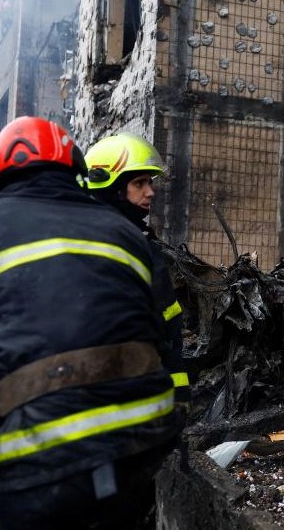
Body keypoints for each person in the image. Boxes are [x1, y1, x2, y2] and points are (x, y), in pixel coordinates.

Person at [0, 117, 181, 528]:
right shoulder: (125, 235)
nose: (151, 193)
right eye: (140, 183)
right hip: (142, 431)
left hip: (32, 455)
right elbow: (164, 335)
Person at [84, 133, 190, 413]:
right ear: (112, 187)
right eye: (139, 183)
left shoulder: (140, 243)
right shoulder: (99, 248)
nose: (150, 192)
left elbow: (168, 332)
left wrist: (179, 398)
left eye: (150, 183)